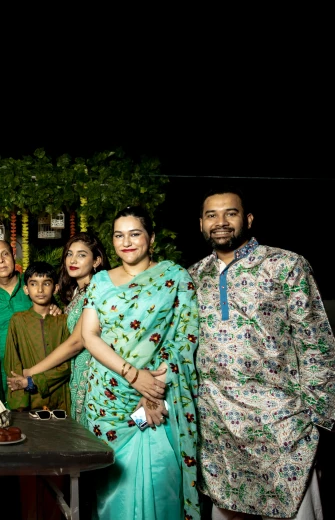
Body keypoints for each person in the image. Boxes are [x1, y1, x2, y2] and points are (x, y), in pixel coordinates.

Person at [189, 188, 333, 520]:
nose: (221, 222)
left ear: (248, 219)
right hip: (218, 423)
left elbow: (316, 341)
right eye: (212, 215)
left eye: (231, 213)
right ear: (201, 224)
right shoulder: (193, 277)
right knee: (228, 510)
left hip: (282, 421)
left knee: (294, 511)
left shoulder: (286, 265)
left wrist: (314, 415)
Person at [78, 205, 200, 520]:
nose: (126, 242)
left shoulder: (174, 277)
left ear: (151, 237)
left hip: (157, 398)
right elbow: (90, 335)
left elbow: (185, 338)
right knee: (111, 490)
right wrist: (133, 376)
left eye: (135, 234)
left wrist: (152, 392)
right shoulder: (100, 281)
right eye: (119, 235)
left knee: (161, 479)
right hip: (108, 402)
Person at [7, 232, 111, 423]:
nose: (73, 260)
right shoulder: (77, 294)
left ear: (96, 261)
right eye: (69, 254)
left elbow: (76, 343)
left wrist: (31, 373)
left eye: (81, 255)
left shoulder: (97, 288)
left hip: (92, 371)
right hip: (77, 373)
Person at [0, 239, 62, 404]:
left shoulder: (32, 285)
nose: (1, 260)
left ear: (14, 256)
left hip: (39, 369)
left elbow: (56, 321)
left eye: (5, 254)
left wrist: (55, 308)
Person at [3, 261, 72, 412]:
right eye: (34, 284)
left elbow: (67, 366)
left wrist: (32, 381)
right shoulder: (18, 320)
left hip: (60, 398)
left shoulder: (63, 321)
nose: (40, 289)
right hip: (29, 401)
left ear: (55, 288)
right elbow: (12, 363)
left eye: (46, 284)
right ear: (26, 289)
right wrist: (19, 403)